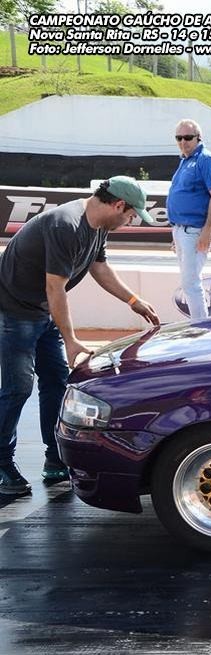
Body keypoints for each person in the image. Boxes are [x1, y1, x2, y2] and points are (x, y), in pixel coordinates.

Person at [0, 177, 161, 494]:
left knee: (57, 382)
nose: (130, 222)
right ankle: (2, 463)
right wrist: (72, 340)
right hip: (16, 310)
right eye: (131, 216)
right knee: (18, 388)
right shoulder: (67, 225)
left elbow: (99, 268)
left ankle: (55, 459)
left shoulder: (98, 226)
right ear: (118, 205)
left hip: (43, 309)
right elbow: (55, 287)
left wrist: (133, 300)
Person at [167, 118, 211, 320]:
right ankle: (200, 325)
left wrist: (207, 230)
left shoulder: (206, 159)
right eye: (179, 138)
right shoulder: (185, 160)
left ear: (198, 138)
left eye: (188, 137)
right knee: (189, 283)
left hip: (195, 231)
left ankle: (201, 328)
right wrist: (176, 233)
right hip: (182, 230)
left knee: (190, 283)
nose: (183, 142)